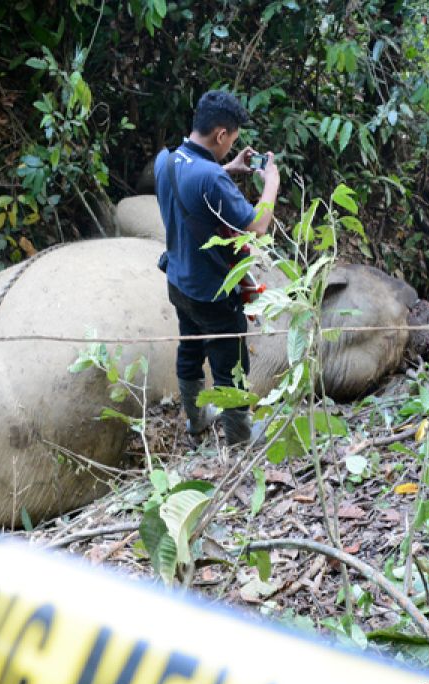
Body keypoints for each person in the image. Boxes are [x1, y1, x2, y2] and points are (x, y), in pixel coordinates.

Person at [155, 89, 279, 445]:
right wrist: (270, 184)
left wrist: (228, 167)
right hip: (213, 290)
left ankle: (195, 422)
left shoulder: (167, 161)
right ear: (221, 135)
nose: (230, 148)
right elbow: (256, 225)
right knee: (231, 363)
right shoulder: (211, 178)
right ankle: (240, 437)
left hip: (179, 282)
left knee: (190, 350)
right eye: (231, 141)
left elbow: (190, 189)